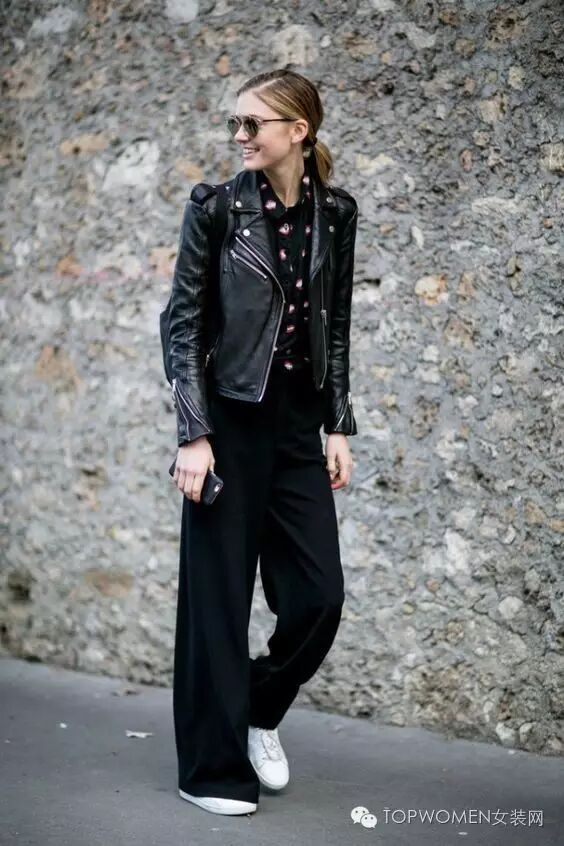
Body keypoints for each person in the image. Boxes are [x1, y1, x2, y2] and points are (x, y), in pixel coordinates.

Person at [166, 68, 359, 816]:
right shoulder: (215, 208)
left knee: (318, 596)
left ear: (298, 132)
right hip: (228, 426)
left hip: (298, 427)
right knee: (217, 603)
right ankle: (210, 772)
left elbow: (335, 326)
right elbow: (183, 326)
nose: (240, 136)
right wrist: (195, 434)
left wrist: (337, 422)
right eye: (236, 123)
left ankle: (256, 706)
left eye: (255, 124)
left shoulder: (335, 213)